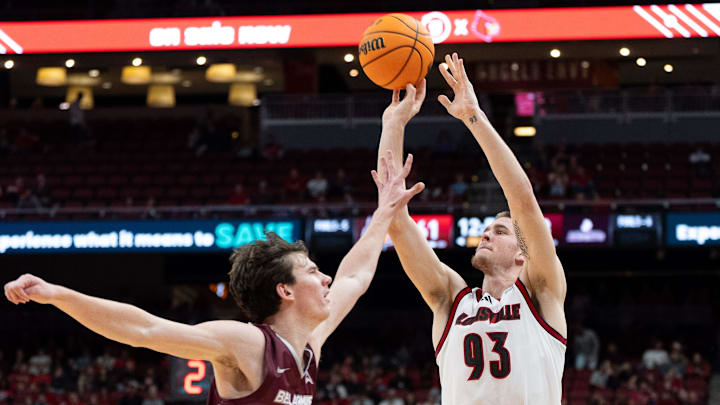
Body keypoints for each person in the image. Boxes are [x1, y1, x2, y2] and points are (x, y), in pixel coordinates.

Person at [4, 150, 423, 405]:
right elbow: (145, 329)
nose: (328, 278)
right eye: (313, 272)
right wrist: (58, 294)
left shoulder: (309, 345)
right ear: (285, 291)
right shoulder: (248, 343)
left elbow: (357, 275)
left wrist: (385, 212)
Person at [377, 53, 566, 404]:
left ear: (523, 255)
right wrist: (393, 126)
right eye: (489, 229)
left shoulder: (541, 294)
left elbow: (523, 200)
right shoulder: (451, 299)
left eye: (501, 231)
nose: (487, 234)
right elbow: (397, 223)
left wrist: (472, 117)